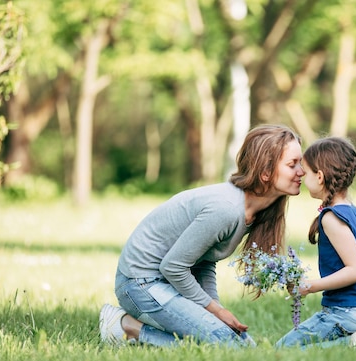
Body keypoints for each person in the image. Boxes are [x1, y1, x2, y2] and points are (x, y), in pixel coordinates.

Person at [99, 124, 305, 348]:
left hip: (166, 283)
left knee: (246, 346)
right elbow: (174, 266)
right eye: (292, 164)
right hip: (140, 283)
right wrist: (215, 311)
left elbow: (203, 262)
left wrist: (213, 309)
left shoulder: (255, 212)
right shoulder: (225, 209)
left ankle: (134, 328)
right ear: (265, 172)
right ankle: (127, 328)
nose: (301, 172)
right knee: (229, 345)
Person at [275, 136, 356, 348]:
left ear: (319, 177)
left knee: (284, 349)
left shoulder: (332, 217)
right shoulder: (351, 211)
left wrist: (309, 286)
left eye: (305, 171)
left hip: (348, 312)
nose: (300, 173)